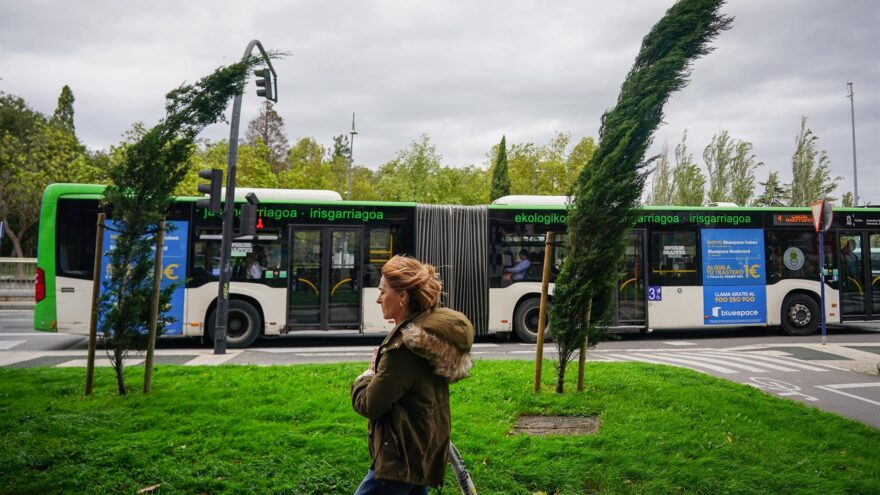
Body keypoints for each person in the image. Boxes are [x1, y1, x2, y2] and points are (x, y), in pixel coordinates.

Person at [351, 255, 474, 494]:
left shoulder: (404, 349)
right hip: (422, 451)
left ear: (403, 297)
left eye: (382, 291)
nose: (378, 299)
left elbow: (371, 405)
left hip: (399, 458)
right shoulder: (428, 336)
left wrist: (367, 373)